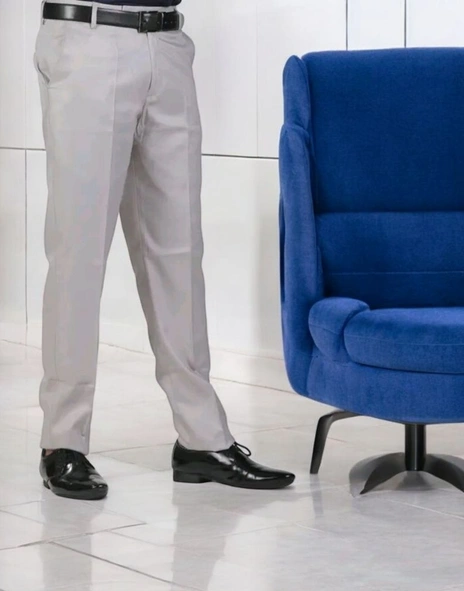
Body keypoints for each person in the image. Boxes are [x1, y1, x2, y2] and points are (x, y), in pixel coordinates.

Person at [35, 0, 296, 500]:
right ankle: (62, 441)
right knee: (79, 254)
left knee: (179, 253)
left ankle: (202, 439)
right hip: (89, 35)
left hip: (169, 42)